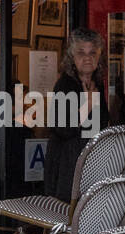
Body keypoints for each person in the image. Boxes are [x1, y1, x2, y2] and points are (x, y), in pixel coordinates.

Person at [43, 27, 109, 201]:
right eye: (81, 53)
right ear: (72, 57)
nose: (87, 58)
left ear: (99, 56)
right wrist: (88, 105)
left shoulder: (96, 83)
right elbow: (63, 128)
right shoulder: (65, 84)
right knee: (65, 213)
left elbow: (102, 122)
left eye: (92, 52)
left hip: (89, 162)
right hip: (66, 166)